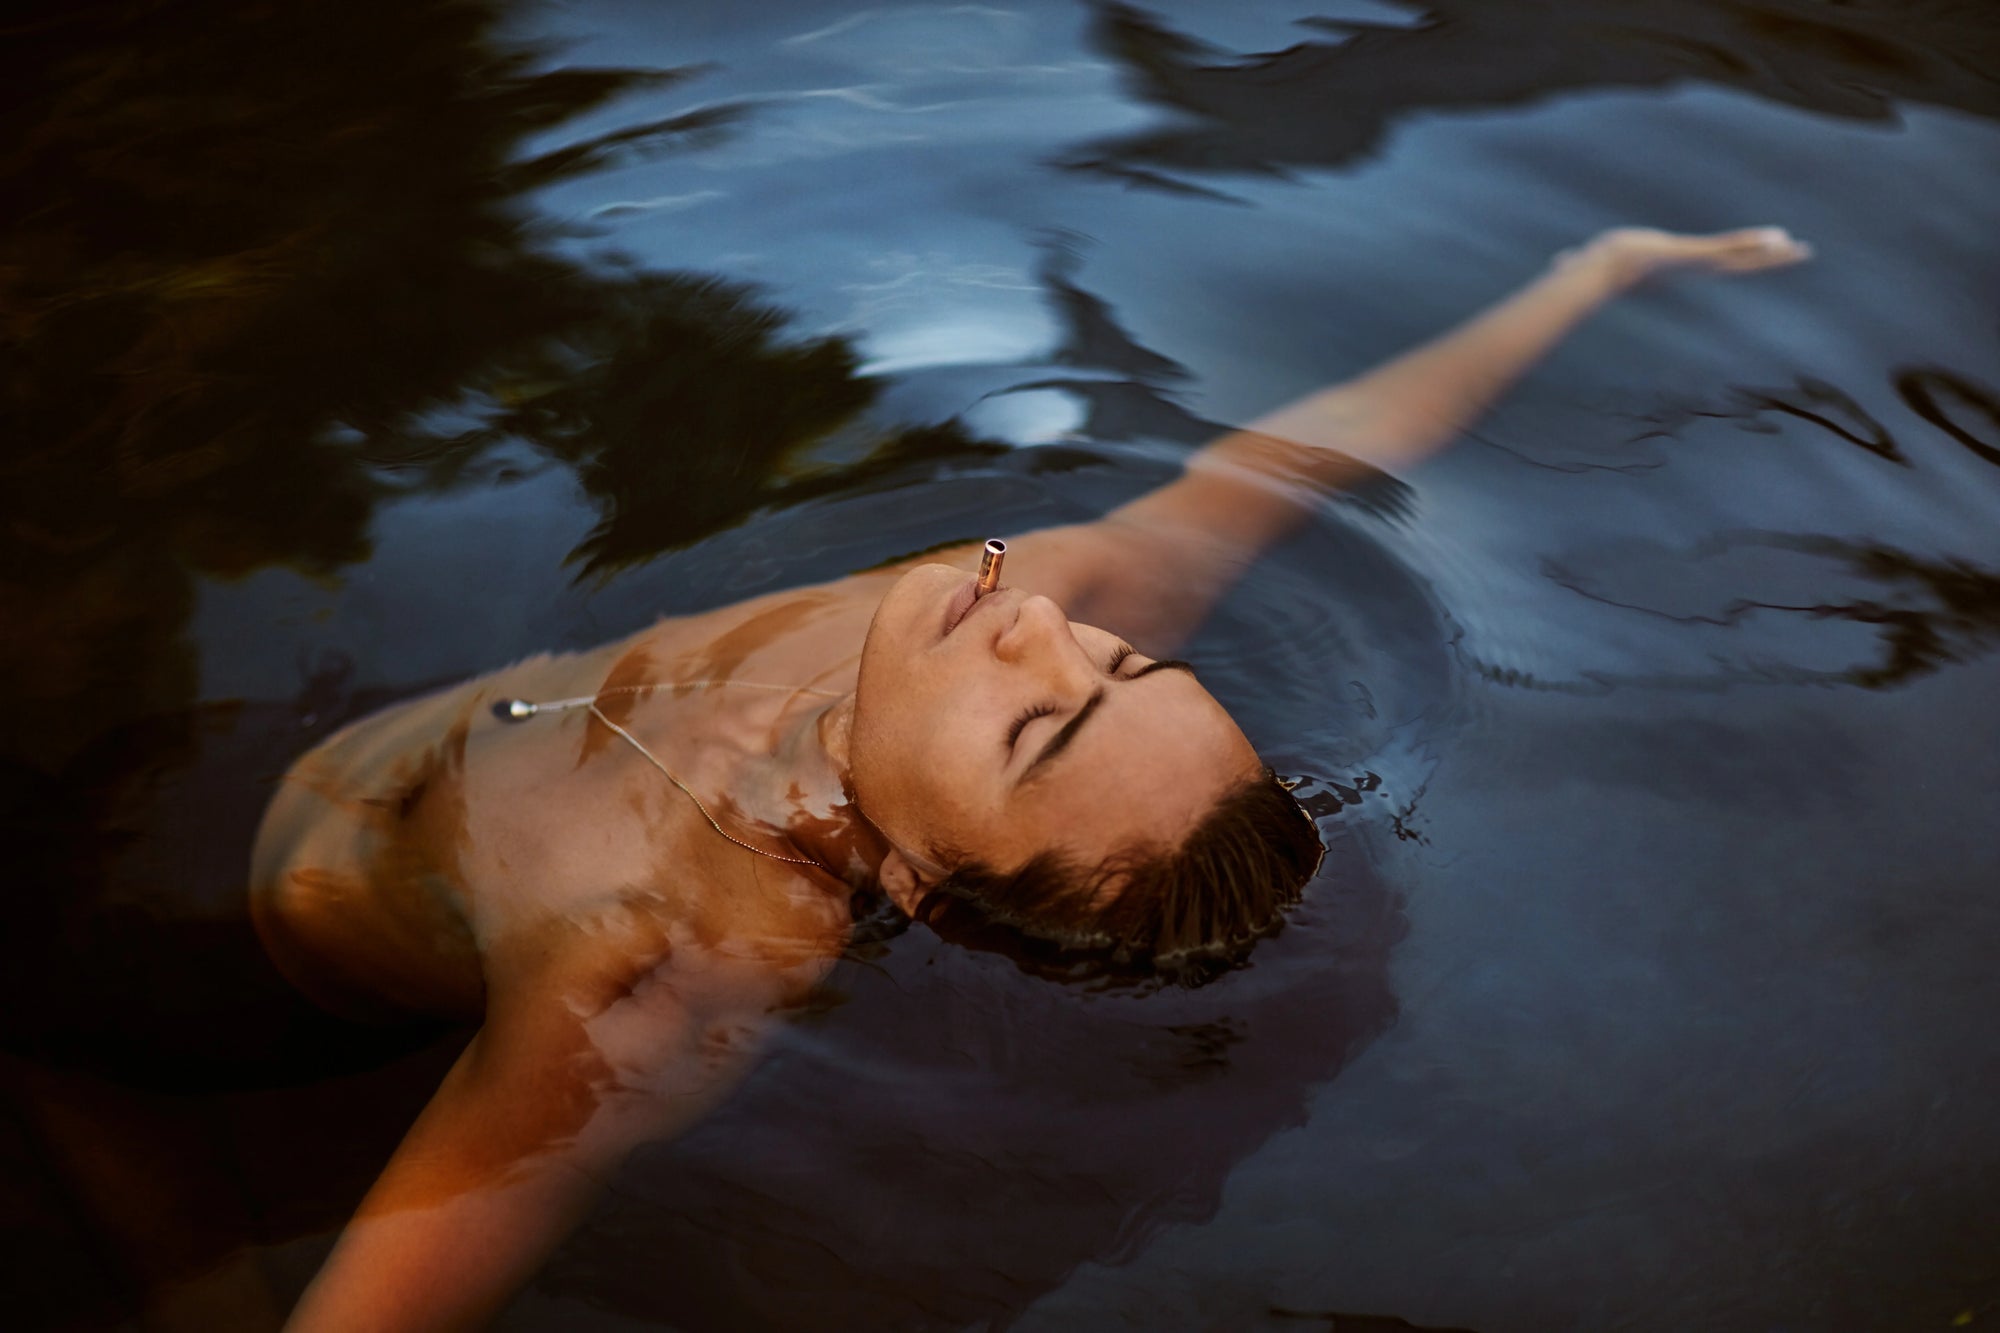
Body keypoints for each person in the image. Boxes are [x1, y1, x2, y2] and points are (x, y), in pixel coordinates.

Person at [255, 225, 1810, 1330]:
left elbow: (397, 1286)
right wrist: (1589, 273)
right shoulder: (1059, 590)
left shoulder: (665, 964)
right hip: (435, 752)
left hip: (309, 906)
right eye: (1124, 665)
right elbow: (1304, 456)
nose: (1050, 636)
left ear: (920, 879)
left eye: (1040, 729)